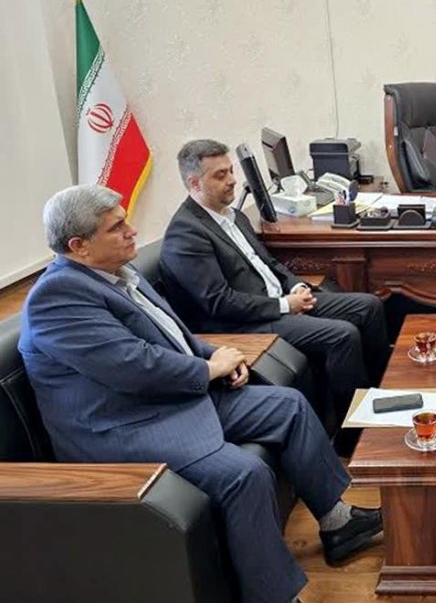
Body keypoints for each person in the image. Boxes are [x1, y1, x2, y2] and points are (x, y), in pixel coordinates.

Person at [18, 185, 384, 603]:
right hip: (123, 425)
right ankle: (275, 596)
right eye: (116, 227)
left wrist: (217, 356)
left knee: (289, 406)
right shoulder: (57, 298)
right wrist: (209, 369)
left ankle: (339, 523)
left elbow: (173, 335)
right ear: (78, 246)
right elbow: (133, 366)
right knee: (245, 474)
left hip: (167, 399)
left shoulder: (118, 273)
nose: (132, 230)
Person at [160, 139, 390, 452]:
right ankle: (354, 438)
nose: (232, 180)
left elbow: (269, 264)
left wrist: (295, 286)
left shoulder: (233, 216)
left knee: (369, 306)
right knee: (342, 335)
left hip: (279, 300)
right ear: (194, 183)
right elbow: (219, 302)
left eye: (231, 171)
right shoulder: (186, 234)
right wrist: (284, 305)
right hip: (243, 323)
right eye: (220, 175)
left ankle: (380, 396)